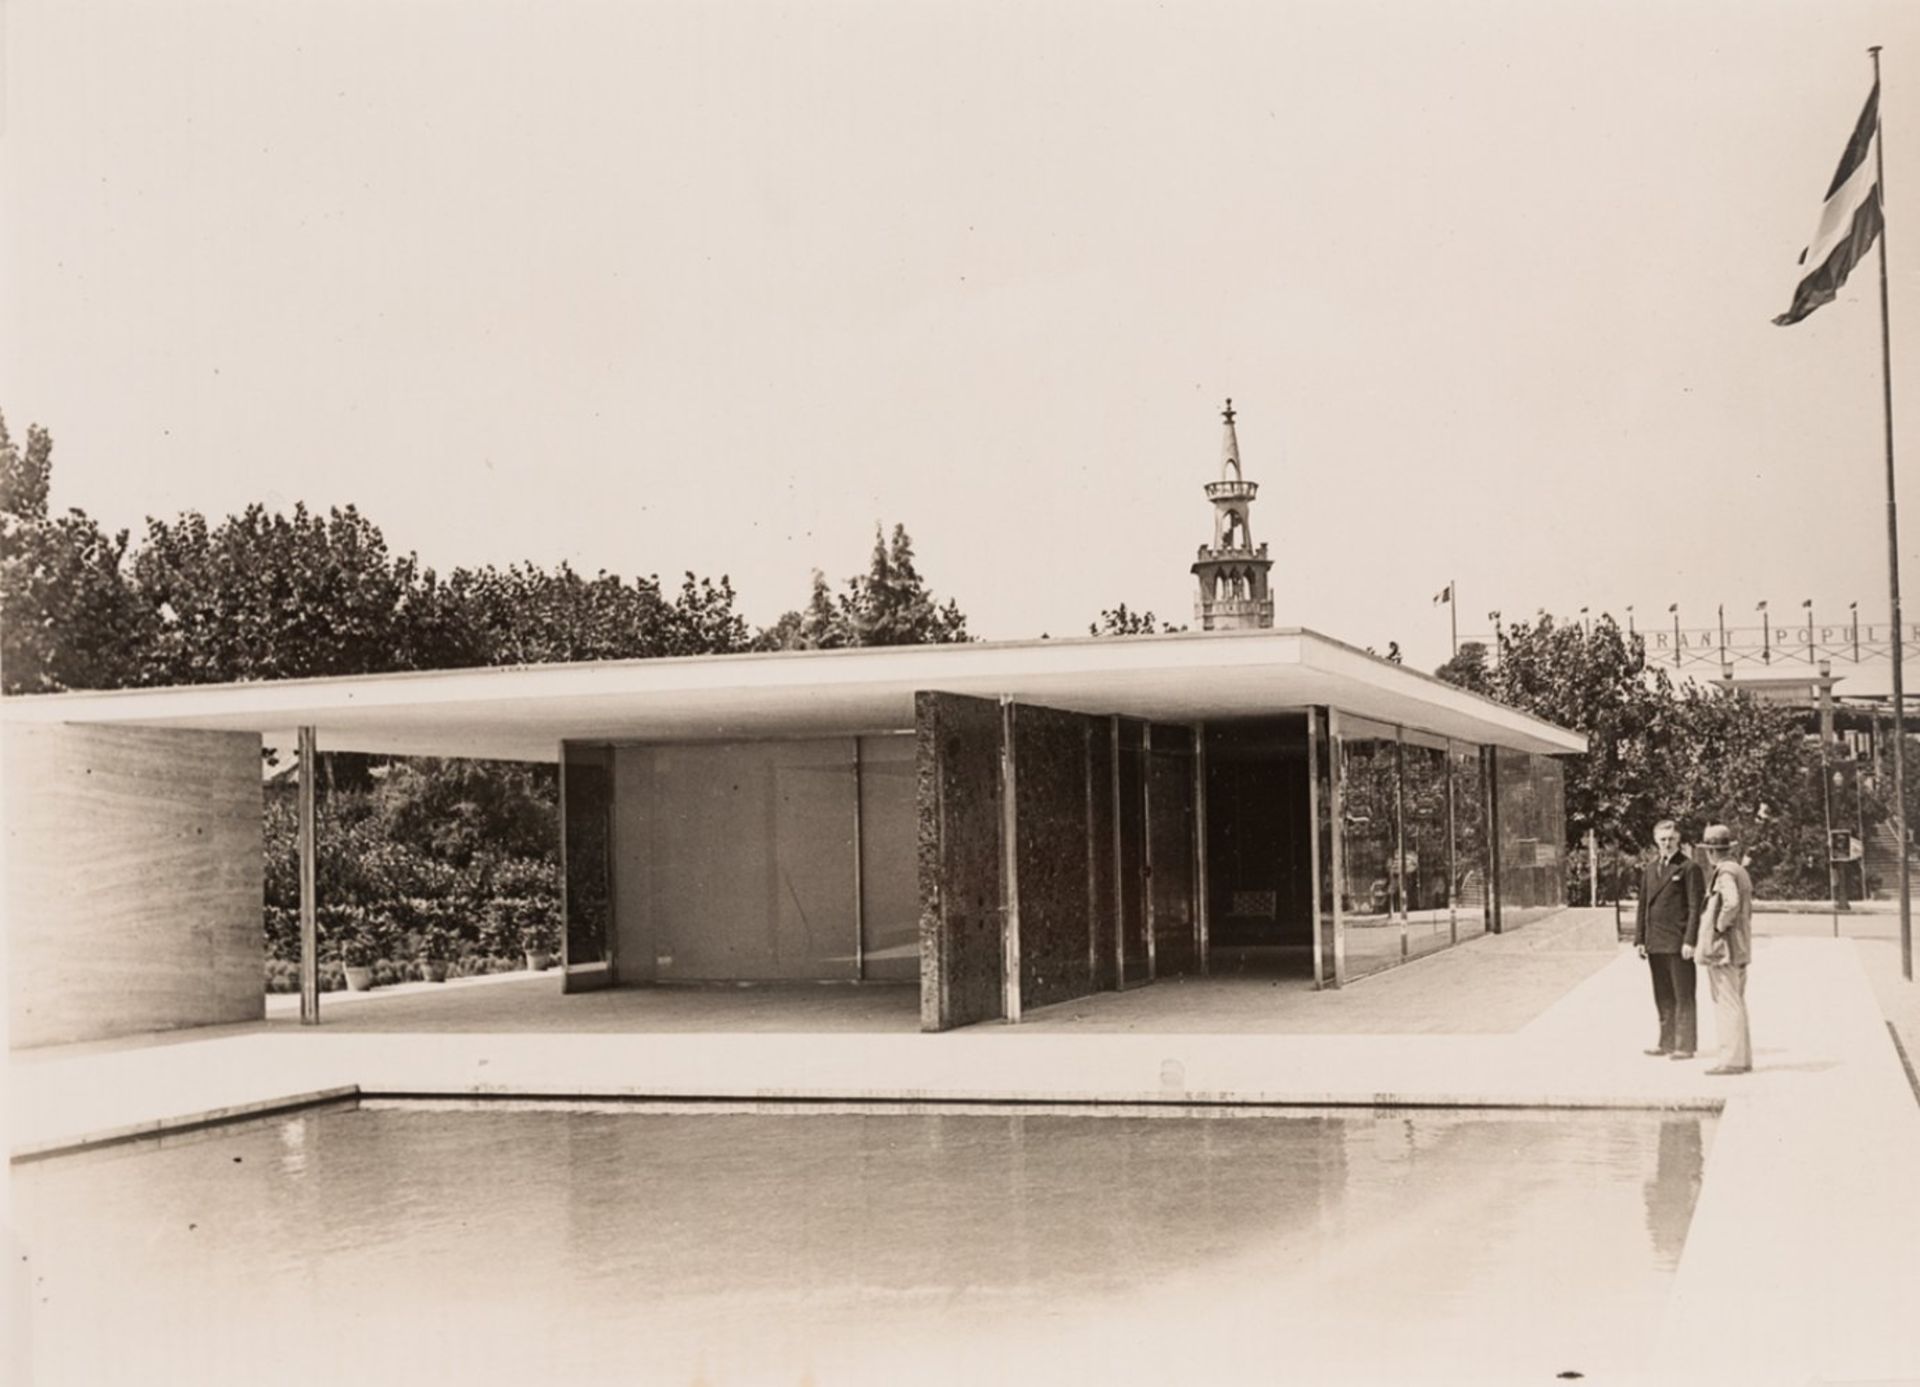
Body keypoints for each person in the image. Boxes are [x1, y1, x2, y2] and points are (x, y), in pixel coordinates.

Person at [1634, 819, 1705, 1058]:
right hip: (1655, 942)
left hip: (1678, 942)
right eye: (1663, 839)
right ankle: (1665, 1042)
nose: (1667, 844)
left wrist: (1690, 940)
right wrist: (1641, 939)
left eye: (1671, 839)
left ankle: (1684, 1045)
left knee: (1683, 994)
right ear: (1656, 841)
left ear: (1679, 840)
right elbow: (1643, 905)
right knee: (1662, 994)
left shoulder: (1688, 868)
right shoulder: (1650, 869)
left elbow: (1696, 907)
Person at [1696, 823, 1754, 1075]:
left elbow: (1731, 903)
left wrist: (1719, 926)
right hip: (1738, 947)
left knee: (1726, 1002)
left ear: (1710, 851)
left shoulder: (1725, 873)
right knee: (1736, 1001)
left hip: (1725, 949)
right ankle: (1741, 1057)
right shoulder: (1739, 870)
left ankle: (1731, 1060)